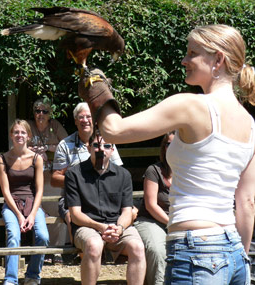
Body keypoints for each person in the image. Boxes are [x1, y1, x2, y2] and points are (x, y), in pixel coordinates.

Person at [80, 24, 255, 284]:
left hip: (196, 252)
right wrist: (240, 257)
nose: (184, 60)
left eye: (192, 53)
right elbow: (248, 202)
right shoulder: (249, 123)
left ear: (218, 59)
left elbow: (113, 130)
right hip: (234, 254)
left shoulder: (190, 105)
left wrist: (95, 87)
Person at [65, 134, 146, 285]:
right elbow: (75, 215)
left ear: (112, 149)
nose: (101, 149)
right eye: (96, 145)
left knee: (138, 247)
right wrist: (101, 227)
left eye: (107, 146)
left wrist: (120, 228)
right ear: (89, 148)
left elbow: (127, 211)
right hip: (87, 226)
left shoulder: (123, 175)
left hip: (117, 226)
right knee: (94, 245)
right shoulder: (74, 174)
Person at [51, 102, 122, 245]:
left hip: (105, 195)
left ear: (95, 120)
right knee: (73, 217)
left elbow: (119, 172)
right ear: (75, 121)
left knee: (127, 212)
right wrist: (80, 183)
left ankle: (112, 249)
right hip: (73, 198)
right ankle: (80, 253)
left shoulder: (106, 141)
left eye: (88, 116)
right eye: (81, 117)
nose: (85, 120)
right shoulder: (65, 145)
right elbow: (54, 178)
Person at [0, 119, 49, 285]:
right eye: (16, 132)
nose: (19, 135)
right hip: (12, 205)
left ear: (29, 136)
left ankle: (33, 275)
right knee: (13, 235)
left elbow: (40, 189)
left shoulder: (36, 159)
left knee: (43, 236)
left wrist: (32, 214)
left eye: (23, 132)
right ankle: (11, 279)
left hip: (32, 204)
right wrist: (19, 215)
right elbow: (5, 191)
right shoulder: (2, 159)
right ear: (12, 135)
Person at [28, 99, 68, 263]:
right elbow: (18, 143)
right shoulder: (28, 126)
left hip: (52, 176)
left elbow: (66, 143)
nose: (41, 114)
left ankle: (57, 251)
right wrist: (33, 152)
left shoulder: (55, 126)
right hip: (32, 177)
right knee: (37, 213)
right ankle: (41, 251)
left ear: (50, 113)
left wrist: (48, 148)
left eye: (45, 111)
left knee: (56, 210)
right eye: (38, 111)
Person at [134, 131, 174, 285]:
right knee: (158, 250)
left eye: (175, 144)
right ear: (163, 148)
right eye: (168, 144)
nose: (171, 148)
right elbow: (151, 206)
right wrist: (171, 223)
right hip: (151, 220)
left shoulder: (187, 171)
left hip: (180, 223)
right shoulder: (154, 170)